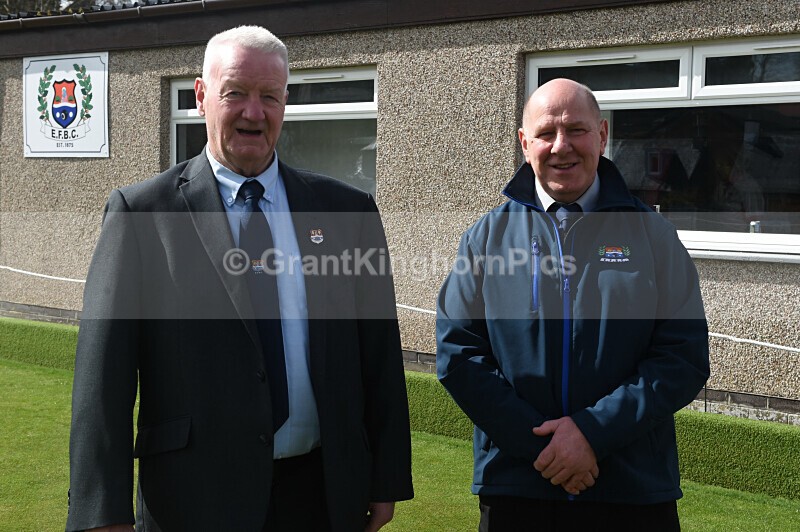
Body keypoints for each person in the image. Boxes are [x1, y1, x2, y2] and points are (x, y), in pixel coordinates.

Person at [66, 26, 413, 532]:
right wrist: (103, 510)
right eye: (236, 93)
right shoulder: (142, 213)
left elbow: (379, 354)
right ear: (203, 96)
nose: (255, 112)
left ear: (285, 102)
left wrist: (386, 477)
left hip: (321, 495)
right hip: (193, 500)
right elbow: (103, 377)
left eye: (269, 96)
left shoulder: (347, 210)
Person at [436, 78, 709, 531]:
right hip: (518, 488)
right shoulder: (486, 237)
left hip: (630, 488)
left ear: (602, 135)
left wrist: (592, 433)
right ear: (525, 144)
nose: (561, 146)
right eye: (546, 133)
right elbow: (459, 354)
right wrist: (544, 447)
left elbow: (682, 357)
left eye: (576, 130)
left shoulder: (652, 236)